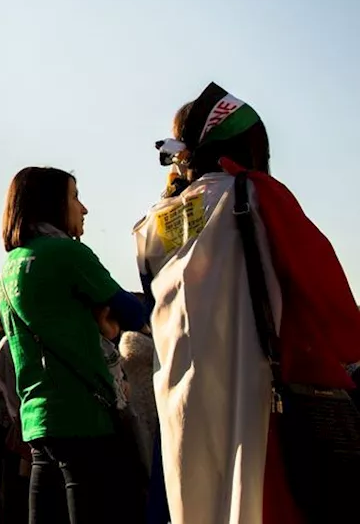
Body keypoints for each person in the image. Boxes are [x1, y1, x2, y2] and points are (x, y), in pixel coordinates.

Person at [136, 83, 360, 523]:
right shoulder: (256, 195)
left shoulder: (157, 224)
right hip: (258, 395)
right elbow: (328, 299)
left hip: (182, 402)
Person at [0, 167, 149, 523]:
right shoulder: (67, 255)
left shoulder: (11, 266)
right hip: (85, 418)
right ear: (51, 204)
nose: (84, 209)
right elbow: (134, 314)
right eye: (74, 197)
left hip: (38, 421)